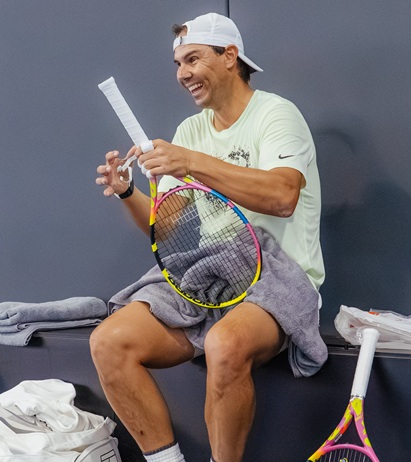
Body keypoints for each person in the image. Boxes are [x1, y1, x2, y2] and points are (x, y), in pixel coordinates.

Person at [91, 12, 327, 462]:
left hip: (280, 277)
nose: (183, 73)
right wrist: (126, 192)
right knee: (109, 342)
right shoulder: (190, 131)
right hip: (211, 274)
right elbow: (166, 228)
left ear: (230, 56)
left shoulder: (277, 114)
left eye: (193, 59)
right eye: (179, 63)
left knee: (224, 342)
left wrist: (191, 162)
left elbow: (282, 197)